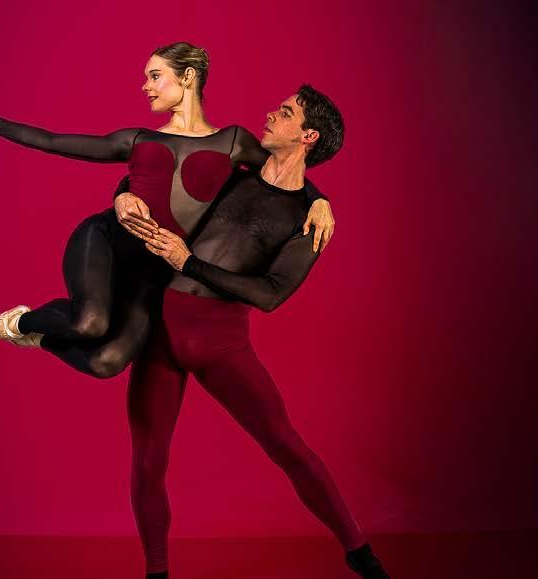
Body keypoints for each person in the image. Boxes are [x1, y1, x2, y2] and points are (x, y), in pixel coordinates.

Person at [0, 42, 336, 378]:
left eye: (155, 76)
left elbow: (285, 170)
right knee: (89, 324)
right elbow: (52, 141)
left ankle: (43, 337)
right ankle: (22, 321)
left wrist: (319, 200)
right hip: (105, 241)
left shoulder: (234, 142)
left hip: (154, 271)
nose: (146, 86)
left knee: (107, 363)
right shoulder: (137, 140)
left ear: (187, 77)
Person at [123, 86, 390, 579]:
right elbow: (155, 172)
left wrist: (188, 262)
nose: (271, 113)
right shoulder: (234, 168)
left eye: (285, 112)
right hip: (161, 331)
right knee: (148, 460)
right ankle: (156, 573)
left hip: (220, 343)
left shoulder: (308, 220)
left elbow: (270, 294)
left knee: (285, 445)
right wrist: (123, 193)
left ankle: (362, 557)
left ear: (308, 137)